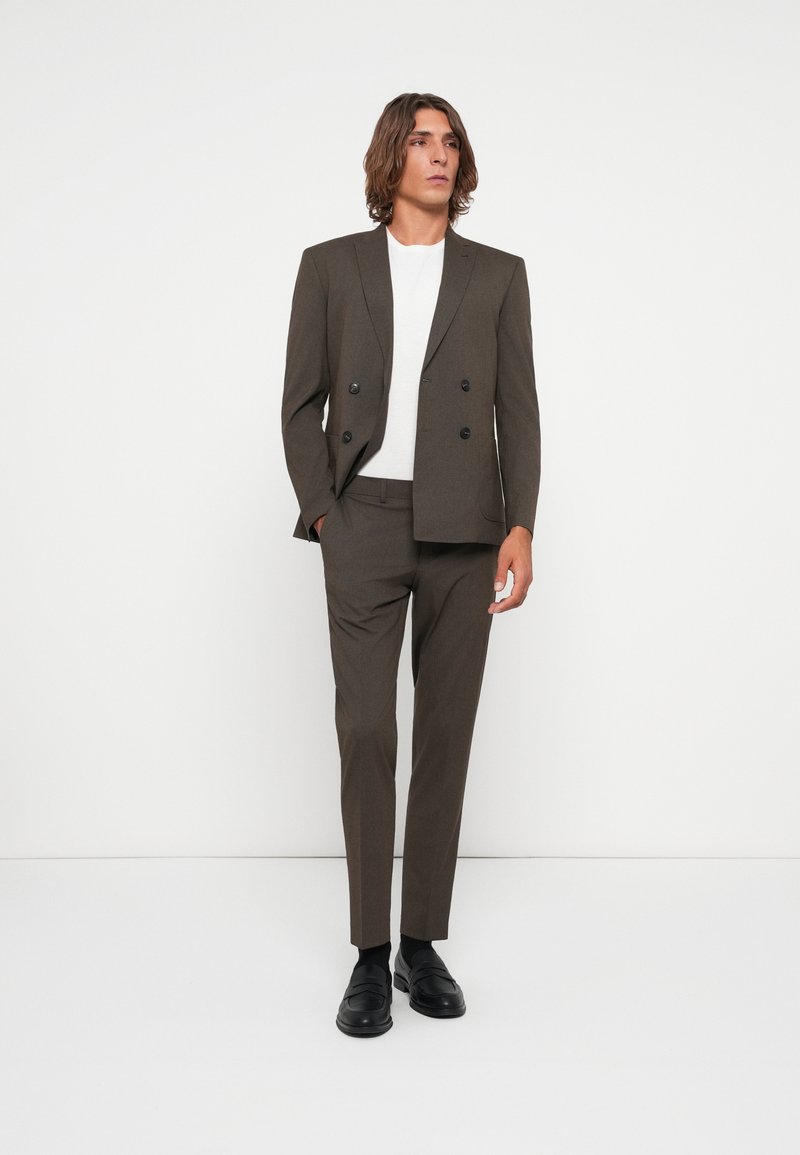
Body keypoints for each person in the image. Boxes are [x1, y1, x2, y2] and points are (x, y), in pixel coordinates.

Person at [281, 92, 541, 1037]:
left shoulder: (498, 274)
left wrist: (522, 523)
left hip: (467, 527)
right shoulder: (330, 266)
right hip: (365, 521)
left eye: (451, 141)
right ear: (390, 157)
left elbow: (519, 408)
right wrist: (326, 509)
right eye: (422, 140)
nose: (440, 154)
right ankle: (367, 950)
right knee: (366, 732)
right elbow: (299, 403)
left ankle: (420, 943)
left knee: (444, 736)